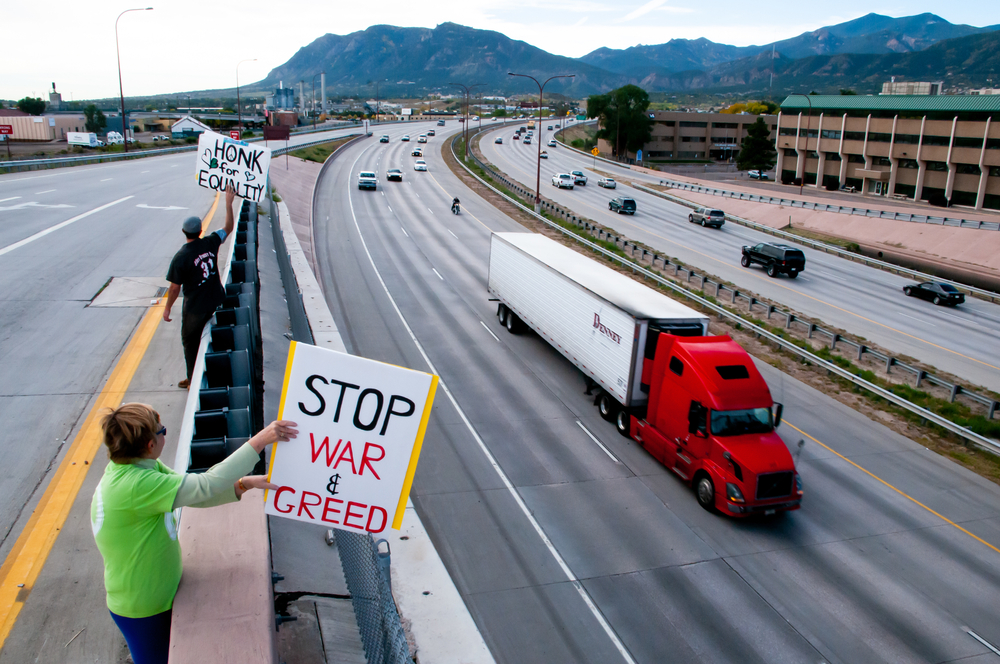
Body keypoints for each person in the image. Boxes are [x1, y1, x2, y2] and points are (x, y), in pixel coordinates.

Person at [90, 402, 298, 664]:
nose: (165, 433)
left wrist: (244, 484)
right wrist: (261, 439)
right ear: (150, 445)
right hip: (143, 607)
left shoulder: (139, 469)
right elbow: (206, 485)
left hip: (152, 596)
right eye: (161, 430)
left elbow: (195, 495)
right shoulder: (137, 485)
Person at [164, 185, 237, 389]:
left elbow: (174, 289)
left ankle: (192, 378)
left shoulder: (182, 257)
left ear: (184, 232)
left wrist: (168, 307)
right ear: (200, 230)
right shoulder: (211, 242)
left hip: (196, 307)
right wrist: (228, 203)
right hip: (216, 298)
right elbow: (229, 228)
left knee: (189, 340)